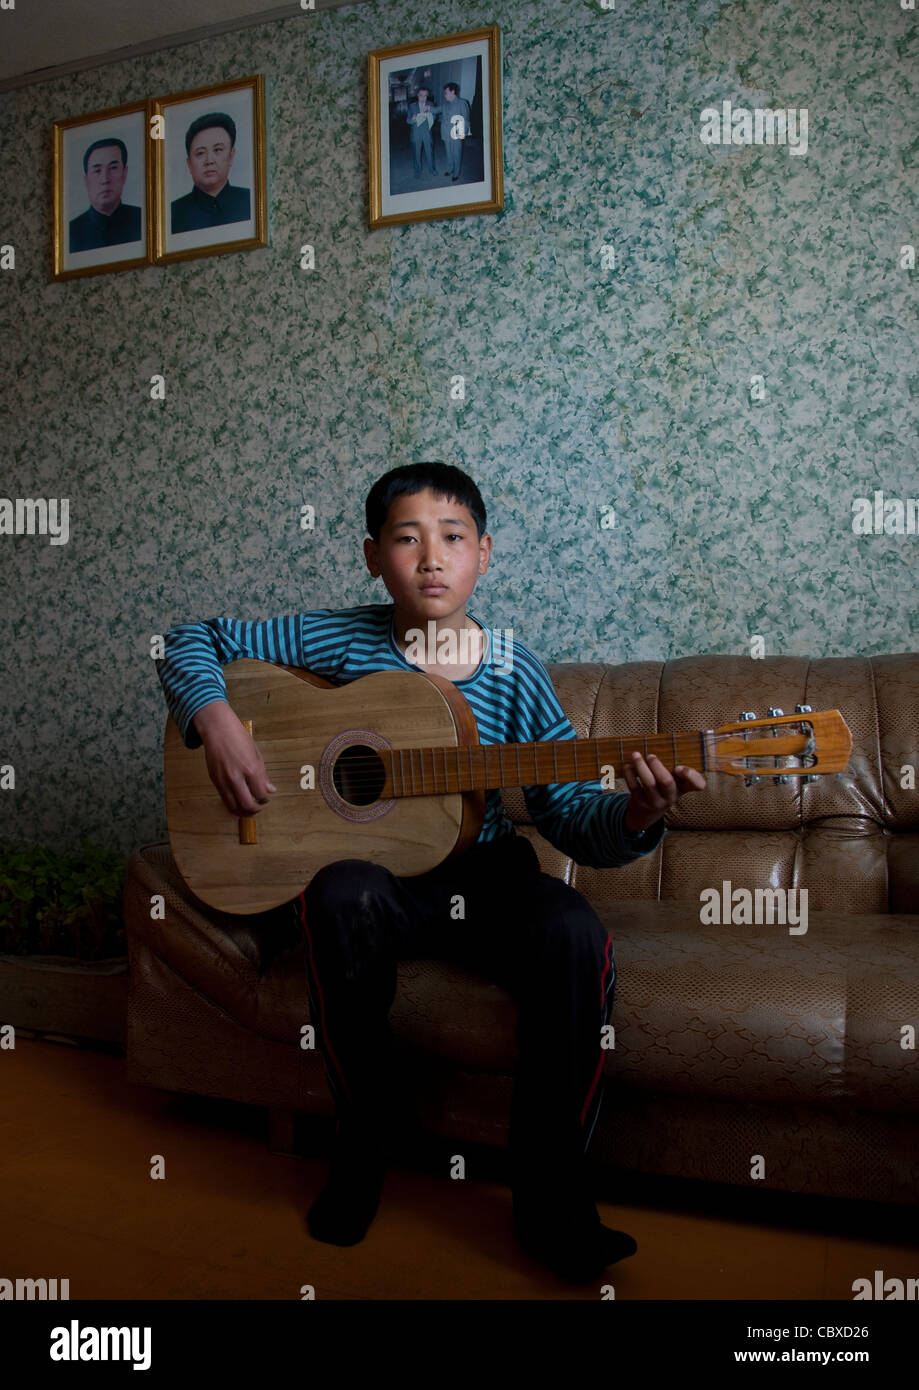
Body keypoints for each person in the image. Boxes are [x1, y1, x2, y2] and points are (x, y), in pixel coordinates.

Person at [156, 461, 706, 1285]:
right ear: (374, 555)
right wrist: (216, 718)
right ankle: (363, 1147)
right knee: (339, 892)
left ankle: (552, 1203)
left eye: (451, 539)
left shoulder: (514, 669)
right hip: (374, 883)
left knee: (573, 933)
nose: (430, 558)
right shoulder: (337, 638)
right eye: (406, 539)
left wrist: (634, 813)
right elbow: (187, 640)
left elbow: (565, 818)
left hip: (482, 877)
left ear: (484, 554)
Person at [170, 112, 251, 234]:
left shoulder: (251, 201)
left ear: (231, 156)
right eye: (200, 153)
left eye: (217, 150)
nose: (209, 161)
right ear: (189, 163)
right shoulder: (172, 214)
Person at [69, 137, 142, 253]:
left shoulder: (143, 220)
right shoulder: (70, 234)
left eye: (113, 168)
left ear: (124, 174)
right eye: (97, 170)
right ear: (86, 180)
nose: (105, 179)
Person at [405, 87, 440, 178]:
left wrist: (431, 116)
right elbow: (408, 120)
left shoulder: (430, 104)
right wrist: (413, 119)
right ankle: (417, 171)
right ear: (417, 95)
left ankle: (432, 170)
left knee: (429, 152)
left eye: (425, 96)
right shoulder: (412, 106)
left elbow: (435, 117)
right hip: (416, 134)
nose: (423, 98)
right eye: (421, 96)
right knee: (416, 153)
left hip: (427, 133)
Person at [441, 82, 472, 183]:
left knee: (456, 154)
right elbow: (437, 109)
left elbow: (466, 119)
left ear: (452, 92)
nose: (444, 95)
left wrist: (464, 132)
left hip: (456, 133)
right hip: (446, 133)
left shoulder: (462, 103)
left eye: (446, 92)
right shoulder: (445, 104)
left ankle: (456, 173)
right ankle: (450, 169)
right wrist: (429, 108)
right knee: (448, 153)